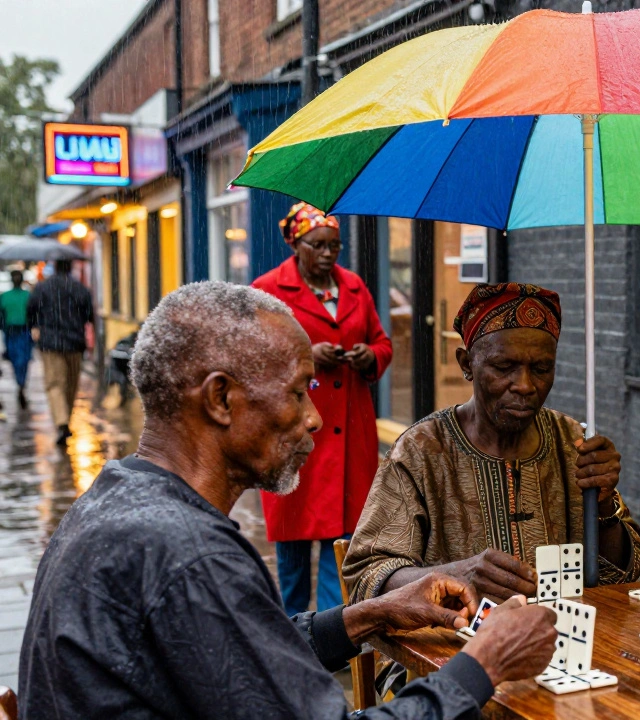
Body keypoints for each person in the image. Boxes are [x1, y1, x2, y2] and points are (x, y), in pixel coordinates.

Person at [19, 282, 557, 719]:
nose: (314, 418)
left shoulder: (119, 497)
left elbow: (239, 656)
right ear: (220, 398)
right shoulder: (190, 555)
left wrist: (367, 615)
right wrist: (485, 664)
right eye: (299, 392)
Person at [344, 282, 640, 604]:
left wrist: (602, 506)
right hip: (447, 646)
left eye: (542, 369)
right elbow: (367, 576)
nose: (525, 385)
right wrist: (454, 575)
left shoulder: (573, 443)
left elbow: (624, 574)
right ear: (466, 364)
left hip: (562, 642)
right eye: (504, 367)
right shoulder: (422, 450)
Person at [252, 202, 393, 616]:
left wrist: (371, 357)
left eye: (335, 245)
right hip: (294, 432)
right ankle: (291, 633)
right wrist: (305, 357)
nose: (329, 254)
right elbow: (253, 358)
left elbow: (382, 342)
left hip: (350, 435)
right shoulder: (268, 289)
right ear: (296, 244)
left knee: (343, 548)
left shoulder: (353, 286)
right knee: (293, 556)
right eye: (318, 245)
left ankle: (332, 636)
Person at [27, 259, 93, 444]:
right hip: (74, 343)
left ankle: (62, 422)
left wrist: (35, 326)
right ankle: (65, 421)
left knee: (55, 383)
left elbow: (31, 310)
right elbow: (89, 315)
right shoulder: (80, 288)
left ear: (55, 267)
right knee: (70, 384)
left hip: (50, 343)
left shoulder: (43, 287)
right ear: (70, 267)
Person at [0, 269, 32, 414]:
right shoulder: (5, 297)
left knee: (22, 360)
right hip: (12, 332)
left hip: (22, 332)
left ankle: (21, 384)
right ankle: (21, 384)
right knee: (18, 360)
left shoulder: (28, 296)